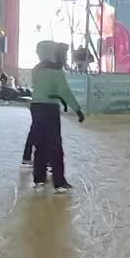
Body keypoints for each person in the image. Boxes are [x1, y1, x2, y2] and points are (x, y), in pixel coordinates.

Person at [29, 40, 84, 191]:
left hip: (35, 107)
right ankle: (59, 182)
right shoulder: (56, 71)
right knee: (55, 144)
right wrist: (77, 109)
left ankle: (39, 178)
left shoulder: (36, 69)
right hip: (49, 108)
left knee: (40, 143)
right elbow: (64, 91)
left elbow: (38, 88)